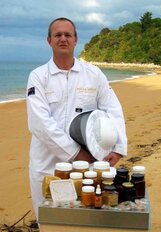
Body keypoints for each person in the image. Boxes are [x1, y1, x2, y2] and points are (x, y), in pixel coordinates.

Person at [26, 17, 127, 219]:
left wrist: (118, 147)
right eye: (58, 35)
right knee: (47, 220)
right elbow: (40, 124)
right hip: (47, 164)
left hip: (86, 165)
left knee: (83, 217)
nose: (63, 38)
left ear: (75, 40)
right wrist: (74, 153)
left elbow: (112, 108)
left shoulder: (93, 74)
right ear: (49, 41)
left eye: (68, 34)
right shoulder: (38, 77)